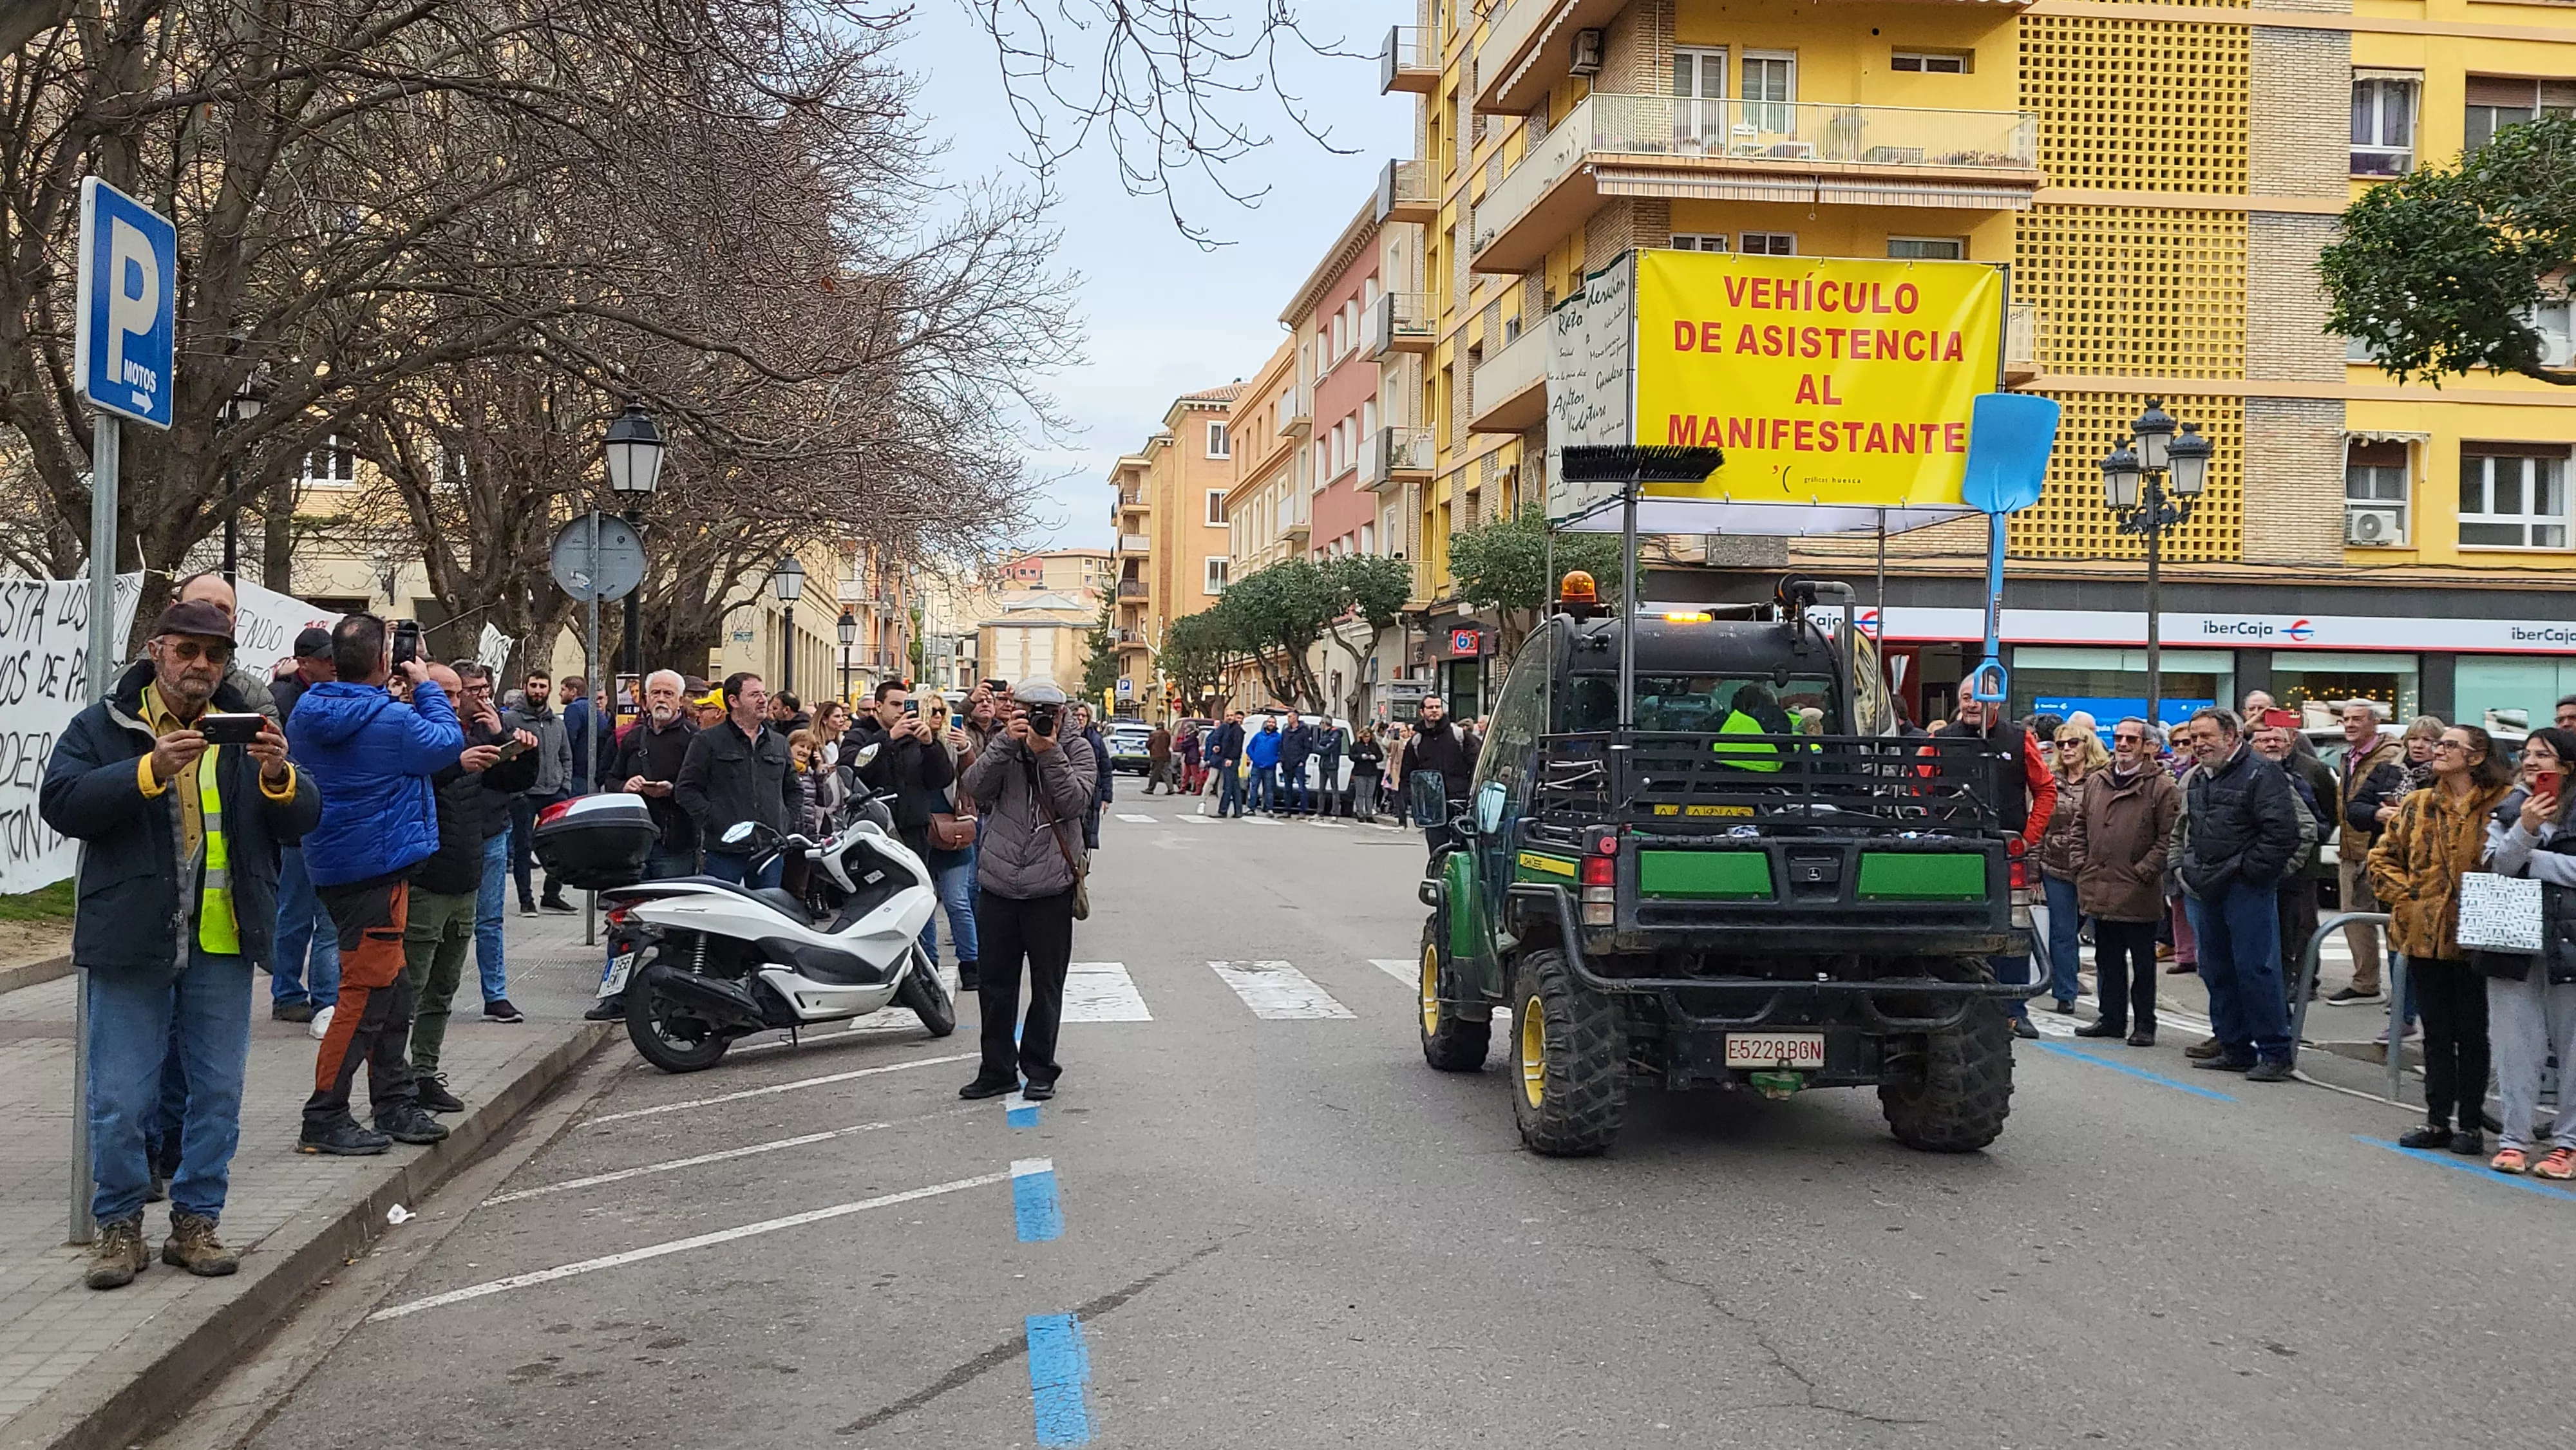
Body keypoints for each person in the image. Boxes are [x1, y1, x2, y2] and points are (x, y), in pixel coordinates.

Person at [41, 601, 319, 1289]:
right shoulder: (105, 725)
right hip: (131, 938)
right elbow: (62, 802)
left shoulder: (248, 727)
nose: (201, 665)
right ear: (156, 650)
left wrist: (279, 776)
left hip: (222, 939)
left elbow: (302, 819)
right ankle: (119, 1225)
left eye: (215, 654)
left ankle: (197, 1221)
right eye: (187, 650)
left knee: (217, 1093)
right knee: (120, 1098)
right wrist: (149, 770)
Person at [287, 613, 466, 1156]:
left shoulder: (307, 712)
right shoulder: (392, 720)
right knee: (365, 997)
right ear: (385, 662)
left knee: (393, 990)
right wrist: (426, 686)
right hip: (378, 868)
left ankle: (394, 1099)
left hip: (335, 863)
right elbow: (447, 742)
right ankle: (325, 1114)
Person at [403, 664, 540, 1115]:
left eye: (456, 693)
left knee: (443, 988)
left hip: (466, 875)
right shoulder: (410, 735)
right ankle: (393, 1082)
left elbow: (512, 783)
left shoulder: (474, 736)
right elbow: (408, 784)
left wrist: (515, 746)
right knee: (408, 990)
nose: (456, 700)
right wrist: (456, 764)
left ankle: (425, 1073)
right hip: (425, 881)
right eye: (444, 693)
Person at [2369, 722, 2512, 1153]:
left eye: (2451, 745)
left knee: (2473, 1032)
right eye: (2439, 743)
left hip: (2479, 934)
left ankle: (2470, 1124)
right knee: (2435, 1032)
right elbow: (2383, 857)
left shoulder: (2504, 803)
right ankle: (2436, 1120)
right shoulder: (2419, 803)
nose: (2439, 750)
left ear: (2477, 756)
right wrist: (2409, 897)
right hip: (2424, 934)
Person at [958, 681, 1096, 1102]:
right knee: (995, 986)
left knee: (1047, 985)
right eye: (1030, 709)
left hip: (1051, 886)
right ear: (1013, 709)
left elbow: (1074, 804)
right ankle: (997, 1070)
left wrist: (1049, 753)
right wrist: (1005, 744)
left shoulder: (1078, 749)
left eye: (1048, 712)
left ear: (1062, 714)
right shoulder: (1003, 743)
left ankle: (1040, 1069)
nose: (1039, 718)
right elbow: (975, 788)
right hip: (999, 882)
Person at [2176, 707, 2305, 1080]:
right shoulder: (2200, 777)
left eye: (2206, 736)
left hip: (2245, 888)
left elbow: (2283, 834)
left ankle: (2274, 1052)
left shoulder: (2261, 772)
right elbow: (2192, 829)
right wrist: (2187, 866)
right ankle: (2234, 1047)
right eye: (2194, 737)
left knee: (2255, 969)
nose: (2199, 744)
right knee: (2216, 968)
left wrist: (2249, 873)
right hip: (2206, 884)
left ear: (2231, 736)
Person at [2477, 726, 2576, 1178]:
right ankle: (2514, 1139)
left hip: (2569, 942)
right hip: (2512, 940)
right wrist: (2526, 828)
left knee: (2573, 1047)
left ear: (2568, 766)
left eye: (2544, 755)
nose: (2532, 762)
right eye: (2528, 754)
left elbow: (2521, 864)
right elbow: (2498, 864)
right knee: (2515, 1046)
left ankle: (2567, 1144)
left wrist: (2532, 860)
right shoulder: (2510, 808)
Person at [1932, 700, 2057, 1039]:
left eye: (1980, 696)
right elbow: (1919, 787)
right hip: (1952, 850)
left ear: (1997, 700)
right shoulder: (1940, 739)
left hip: (2005, 851)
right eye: (1966, 696)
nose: (1972, 703)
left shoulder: (2019, 739)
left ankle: (2014, 1011)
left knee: (2013, 931)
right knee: (1949, 929)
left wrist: (2029, 837)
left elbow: (2046, 789)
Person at [587, 669, 701, 1021]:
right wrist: (625, 785)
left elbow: (704, 789)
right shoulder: (632, 738)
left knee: (673, 927)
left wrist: (673, 790)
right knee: (624, 924)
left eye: (669, 693)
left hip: (674, 843)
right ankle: (615, 996)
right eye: (656, 693)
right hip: (634, 844)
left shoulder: (695, 739)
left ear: (680, 700)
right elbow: (608, 778)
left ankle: (666, 997)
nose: (662, 699)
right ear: (646, 699)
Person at [2071, 718, 2181, 1046]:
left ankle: (2144, 1024)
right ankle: (2111, 1018)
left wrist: (2144, 871)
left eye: (2131, 739)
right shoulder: (2097, 780)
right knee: (2107, 959)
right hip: (2100, 883)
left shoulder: (2162, 787)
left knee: (2143, 963)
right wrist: (2081, 863)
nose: (2122, 744)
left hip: (2137, 889)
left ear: (2147, 746)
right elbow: (2079, 824)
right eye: (2118, 737)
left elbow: (2169, 837)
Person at [267, 625, 343, 1027]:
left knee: (328, 920)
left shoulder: (341, 692)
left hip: (332, 821)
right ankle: (287, 994)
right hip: (297, 822)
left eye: (336, 657)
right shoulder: (281, 699)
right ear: (303, 662)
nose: (334, 664)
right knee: (295, 916)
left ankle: (326, 1001)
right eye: (325, 658)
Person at [676, 671, 802, 887]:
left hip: (769, 850)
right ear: (733, 701)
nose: (763, 700)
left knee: (766, 907)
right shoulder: (708, 741)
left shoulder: (779, 743)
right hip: (724, 852)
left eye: (764, 694)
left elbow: (794, 789)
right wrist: (713, 820)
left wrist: (785, 822)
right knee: (722, 907)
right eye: (754, 695)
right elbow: (686, 789)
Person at [2253, 708, 2333, 1001]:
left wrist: (2307, 845)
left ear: (2290, 741)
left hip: (2301, 867)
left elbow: (2328, 815)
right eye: (2264, 740)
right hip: (2258, 866)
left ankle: (2304, 980)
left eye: (2277, 739)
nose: (2271, 744)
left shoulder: (2312, 771)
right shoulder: (2248, 772)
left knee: (2301, 925)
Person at [2331, 701, 2404, 1005]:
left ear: (2375, 722)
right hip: (2351, 849)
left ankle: (2402, 995)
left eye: (2357, 719)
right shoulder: (2349, 755)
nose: (2349, 724)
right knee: (2354, 919)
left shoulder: (2390, 756)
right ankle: (2366, 983)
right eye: (2346, 719)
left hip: (2381, 850)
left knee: (2393, 922)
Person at [2034, 723, 2106, 1013]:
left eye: (2072, 743)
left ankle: (2109, 999)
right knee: (2062, 933)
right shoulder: (2050, 779)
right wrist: (2034, 868)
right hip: (2055, 865)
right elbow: (2039, 824)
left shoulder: (2103, 778)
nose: (2066, 749)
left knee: (2103, 933)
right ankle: (2066, 993)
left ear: (2087, 744)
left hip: (2093, 866)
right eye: (2061, 744)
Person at [918, 692, 981, 991]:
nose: (937, 716)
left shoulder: (952, 743)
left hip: (952, 829)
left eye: (941, 711)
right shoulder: (908, 741)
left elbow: (973, 777)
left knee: (957, 901)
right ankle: (929, 966)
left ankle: (971, 965)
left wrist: (966, 748)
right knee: (924, 904)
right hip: (917, 830)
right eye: (931, 710)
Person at [504, 669, 574, 915]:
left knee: (562, 846)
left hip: (554, 792)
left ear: (549, 690)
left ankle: (552, 895)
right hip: (524, 794)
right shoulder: (510, 720)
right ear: (525, 687)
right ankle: (526, 900)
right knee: (523, 848)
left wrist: (565, 786)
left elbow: (566, 757)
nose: (538, 691)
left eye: (542, 686)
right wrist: (514, 791)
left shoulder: (557, 723)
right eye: (533, 685)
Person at [1403, 697, 1481, 861]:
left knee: (1464, 852)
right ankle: (1438, 873)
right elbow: (1408, 775)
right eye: (1430, 707)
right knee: (1437, 853)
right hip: (1433, 807)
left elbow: (1478, 766)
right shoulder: (1416, 742)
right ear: (1422, 712)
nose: (1435, 710)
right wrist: (1413, 802)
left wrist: (1472, 795)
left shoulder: (1460, 736)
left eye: (1438, 707)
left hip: (1460, 804)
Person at [1070, 702, 1112, 849]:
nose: (1080, 719)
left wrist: (1106, 798)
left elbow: (1105, 769)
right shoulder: (1062, 737)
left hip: (1091, 793)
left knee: (1086, 834)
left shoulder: (1096, 739)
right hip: (1069, 791)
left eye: (1084, 716)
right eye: (1077, 715)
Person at [560, 673, 597, 796]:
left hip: (578, 772)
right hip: (592, 771)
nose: (560, 693)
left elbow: (568, 741)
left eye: (563, 689)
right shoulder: (595, 709)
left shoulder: (573, 709)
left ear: (573, 692)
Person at [1209, 710, 1248, 818]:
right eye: (1227, 716)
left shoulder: (1237, 730)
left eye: (1231, 715)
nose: (1230, 717)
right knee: (1235, 787)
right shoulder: (1229, 728)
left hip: (1231, 760)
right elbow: (1225, 743)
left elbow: (1237, 746)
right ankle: (1238, 811)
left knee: (1228, 786)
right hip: (1228, 758)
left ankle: (1223, 811)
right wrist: (1219, 747)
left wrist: (1231, 758)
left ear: (1235, 716)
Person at [1245, 713, 1283, 815]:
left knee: (1269, 789)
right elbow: (1250, 748)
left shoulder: (1278, 738)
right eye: (1269, 722)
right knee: (1254, 788)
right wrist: (1254, 757)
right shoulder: (1258, 736)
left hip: (1270, 768)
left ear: (1276, 724)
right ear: (1266, 723)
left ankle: (1269, 808)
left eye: (1273, 723)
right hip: (1256, 766)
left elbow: (1282, 752)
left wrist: (1274, 760)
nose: (1271, 724)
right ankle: (1251, 808)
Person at [1278, 709, 1313, 816]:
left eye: (1290, 716)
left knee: (1301, 788)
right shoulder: (1286, 731)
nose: (1288, 719)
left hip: (1298, 764)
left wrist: (1302, 760)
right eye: (1288, 717)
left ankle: (1303, 811)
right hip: (1287, 764)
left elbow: (1308, 747)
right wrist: (1282, 759)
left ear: (1296, 717)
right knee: (1287, 789)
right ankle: (1287, 810)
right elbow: (1282, 746)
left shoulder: (1304, 731)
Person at [1349, 724, 1387, 821]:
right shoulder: (1357, 745)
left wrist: (1375, 757)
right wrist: (1361, 757)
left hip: (1372, 772)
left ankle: (1369, 814)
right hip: (1360, 772)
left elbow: (1381, 756)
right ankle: (1360, 813)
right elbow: (1351, 756)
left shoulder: (1374, 745)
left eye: (1368, 737)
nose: (1367, 739)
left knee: (1370, 795)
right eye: (1365, 737)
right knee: (1360, 794)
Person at [1313, 715, 1344, 818]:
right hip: (1323, 764)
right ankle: (1320, 812)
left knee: (1334, 789)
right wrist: (1321, 747)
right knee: (1321, 789)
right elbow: (1318, 746)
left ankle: (1335, 812)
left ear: (1324, 723)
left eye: (1321, 723)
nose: (1320, 726)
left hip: (1332, 764)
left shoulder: (1336, 734)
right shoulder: (1324, 734)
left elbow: (1327, 749)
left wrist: (1321, 748)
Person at [1144, 722, 1175, 795]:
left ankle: (1150, 789)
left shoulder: (1153, 734)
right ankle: (1171, 788)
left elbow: (1148, 744)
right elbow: (1168, 744)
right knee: (1166, 772)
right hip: (1166, 755)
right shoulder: (1167, 734)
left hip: (1156, 756)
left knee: (1155, 773)